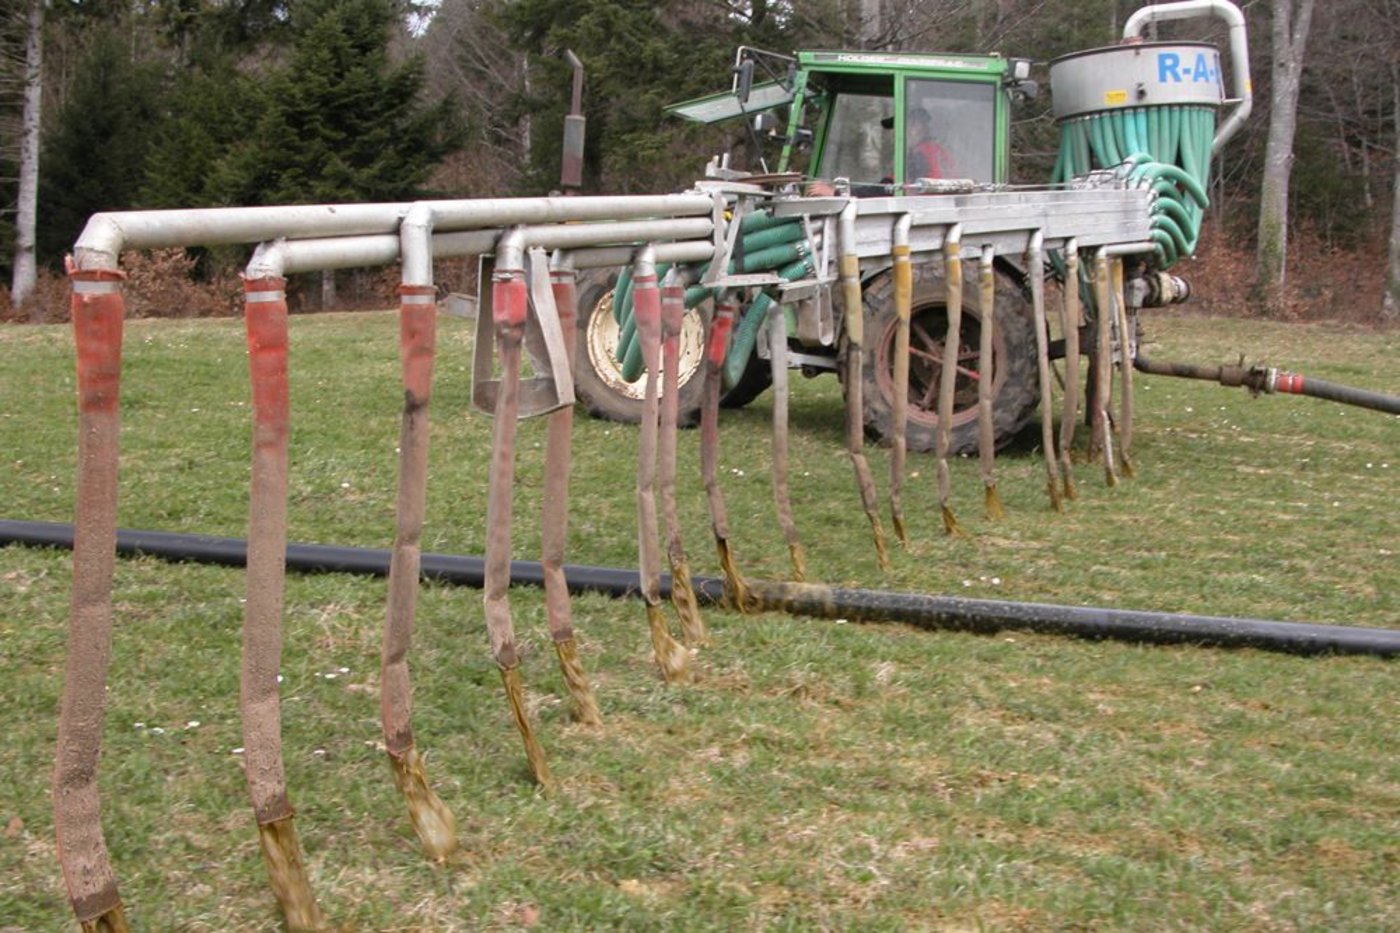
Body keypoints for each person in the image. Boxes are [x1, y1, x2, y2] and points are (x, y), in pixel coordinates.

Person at [905, 108, 950, 181]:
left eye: (913, 125)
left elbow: (912, 181)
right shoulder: (937, 148)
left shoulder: (923, 151)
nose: (909, 130)